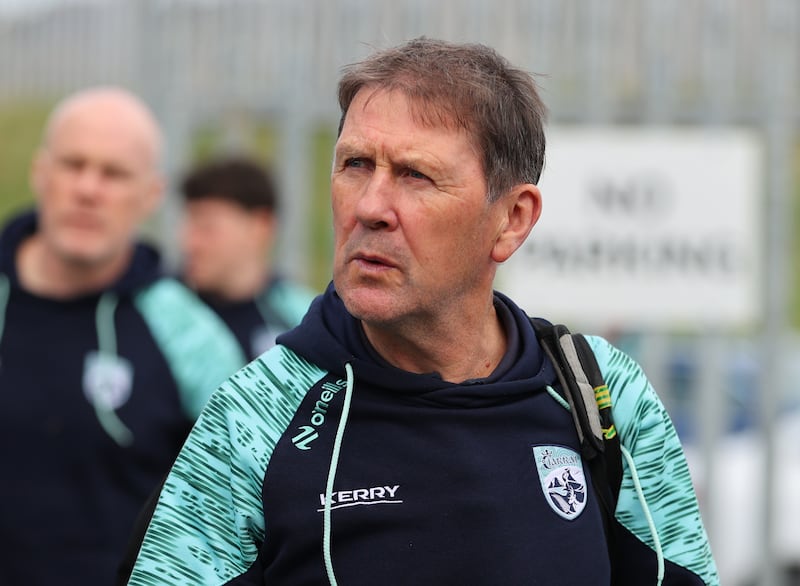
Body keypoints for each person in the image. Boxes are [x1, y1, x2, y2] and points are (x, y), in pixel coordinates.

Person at [125, 38, 719, 585]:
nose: (371, 207)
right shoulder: (258, 414)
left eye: (415, 175)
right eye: (355, 164)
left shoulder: (600, 393)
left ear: (511, 220)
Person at [0, 86, 245, 585]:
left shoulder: (191, 336)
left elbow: (238, 506)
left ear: (151, 195)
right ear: (41, 174)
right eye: (73, 165)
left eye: (114, 173)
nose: (89, 189)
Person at [179, 156, 317, 360]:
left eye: (207, 227)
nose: (189, 243)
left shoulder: (302, 320)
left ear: (260, 226)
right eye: (189, 225)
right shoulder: (163, 312)